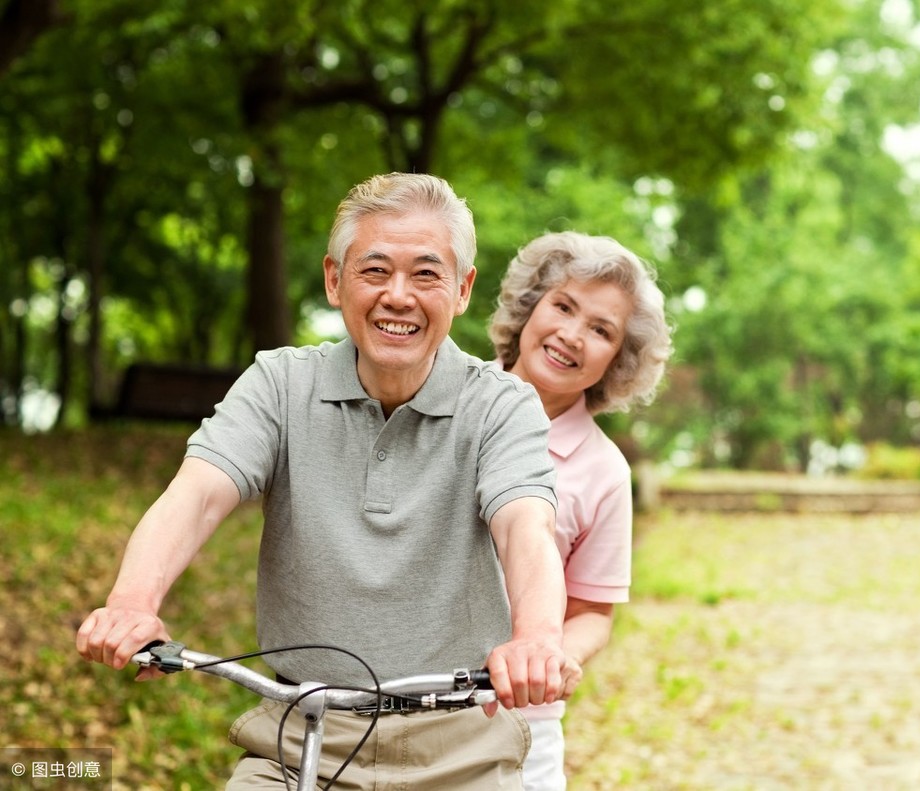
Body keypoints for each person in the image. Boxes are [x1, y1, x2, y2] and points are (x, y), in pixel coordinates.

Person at [76, 173, 568, 789]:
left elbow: (526, 524)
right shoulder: (280, 385)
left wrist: (538, 638)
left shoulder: (502, 405)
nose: (399, 296)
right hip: (298, 731)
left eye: (426, 273)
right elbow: (196, 495)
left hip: (461, 742)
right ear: (334, 280)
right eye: (374, 270)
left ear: (462, 289)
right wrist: (131, 606)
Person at [488, 231, 673, 790]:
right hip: (396, 708)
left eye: (601, 330)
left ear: (618, 360)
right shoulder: (437, 400)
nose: (571, 335)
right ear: (528, 309)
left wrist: (547, 660)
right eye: (563, 306)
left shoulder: (604, 471)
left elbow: (594, 611)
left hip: (519, 732)